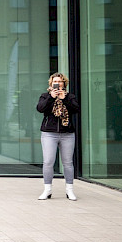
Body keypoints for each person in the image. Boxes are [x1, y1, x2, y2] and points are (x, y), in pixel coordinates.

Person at [37, 72, 80, 201]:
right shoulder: (45, 96)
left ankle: (69, 190)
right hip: (49, 134)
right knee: (48, 162)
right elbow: (40, 109)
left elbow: (76, 109)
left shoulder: (70, 96)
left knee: (68, 163)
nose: (58, 84)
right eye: (55, 81)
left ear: (64, 83)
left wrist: (64, 99)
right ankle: (47, 190)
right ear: (51, 83)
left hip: (67, 134)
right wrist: (51, 97)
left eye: (60, 81)